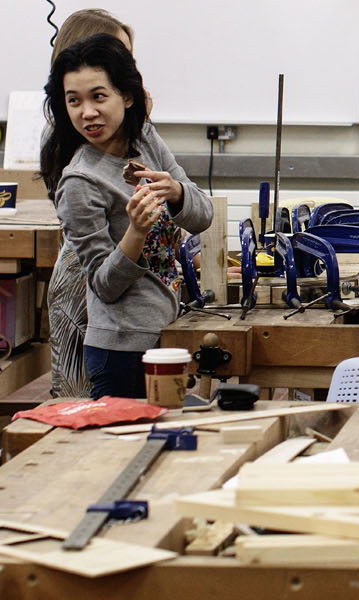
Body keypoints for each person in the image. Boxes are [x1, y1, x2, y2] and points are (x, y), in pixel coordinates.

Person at [40, 35, 213, 399]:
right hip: (120, 348)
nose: (86, 112)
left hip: (166, 331)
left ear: (127, 96)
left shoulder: (145, 138)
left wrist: (177, 192)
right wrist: (135, 232)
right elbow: (104, 285)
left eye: (98, 96)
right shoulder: (80, 181)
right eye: (74, 101)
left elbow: (203, 216)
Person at [44, 8, 150, 399]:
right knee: (81, 403)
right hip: (87, 277)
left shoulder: (133, 126)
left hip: (124, 279)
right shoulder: (72, 143)